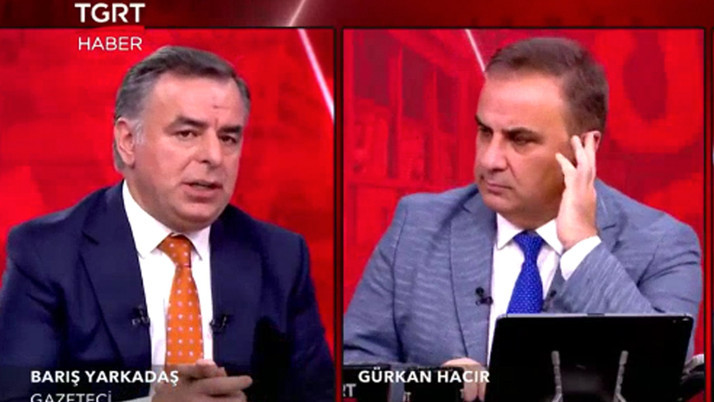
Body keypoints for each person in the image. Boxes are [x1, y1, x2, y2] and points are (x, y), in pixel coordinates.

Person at [343, 37, 702, 401]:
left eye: (519, 140)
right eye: (485, 132)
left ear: (584, 148)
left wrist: (583, 248)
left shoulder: (661, 246)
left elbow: (658, 380)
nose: (490, 160)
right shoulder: (416, 225)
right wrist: (434, 386)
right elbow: (354, 368)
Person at [0, 46, 334, 402]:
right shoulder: (47, 254)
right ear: (128, 141)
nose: (214, 156)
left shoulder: (281, 256)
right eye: (187, 133)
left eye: (228, 138)